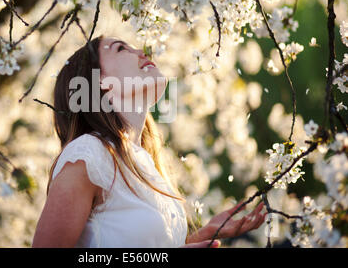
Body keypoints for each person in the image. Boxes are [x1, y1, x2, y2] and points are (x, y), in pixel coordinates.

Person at [32, 35, 267, 248]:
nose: (142, 52)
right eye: (121, 49)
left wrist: (202, 235)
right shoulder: (87, 154)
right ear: (100, 80)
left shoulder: (145, 165)